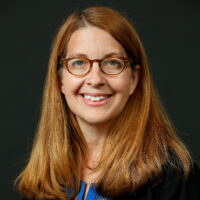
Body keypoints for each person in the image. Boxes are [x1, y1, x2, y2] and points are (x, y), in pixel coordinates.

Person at [15, 6, 200, 200]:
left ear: (134, 79)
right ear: (60, 79)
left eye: (112, 62)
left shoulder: (173, 177)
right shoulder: (45, 177)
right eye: (78, 62)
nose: (95, 80)